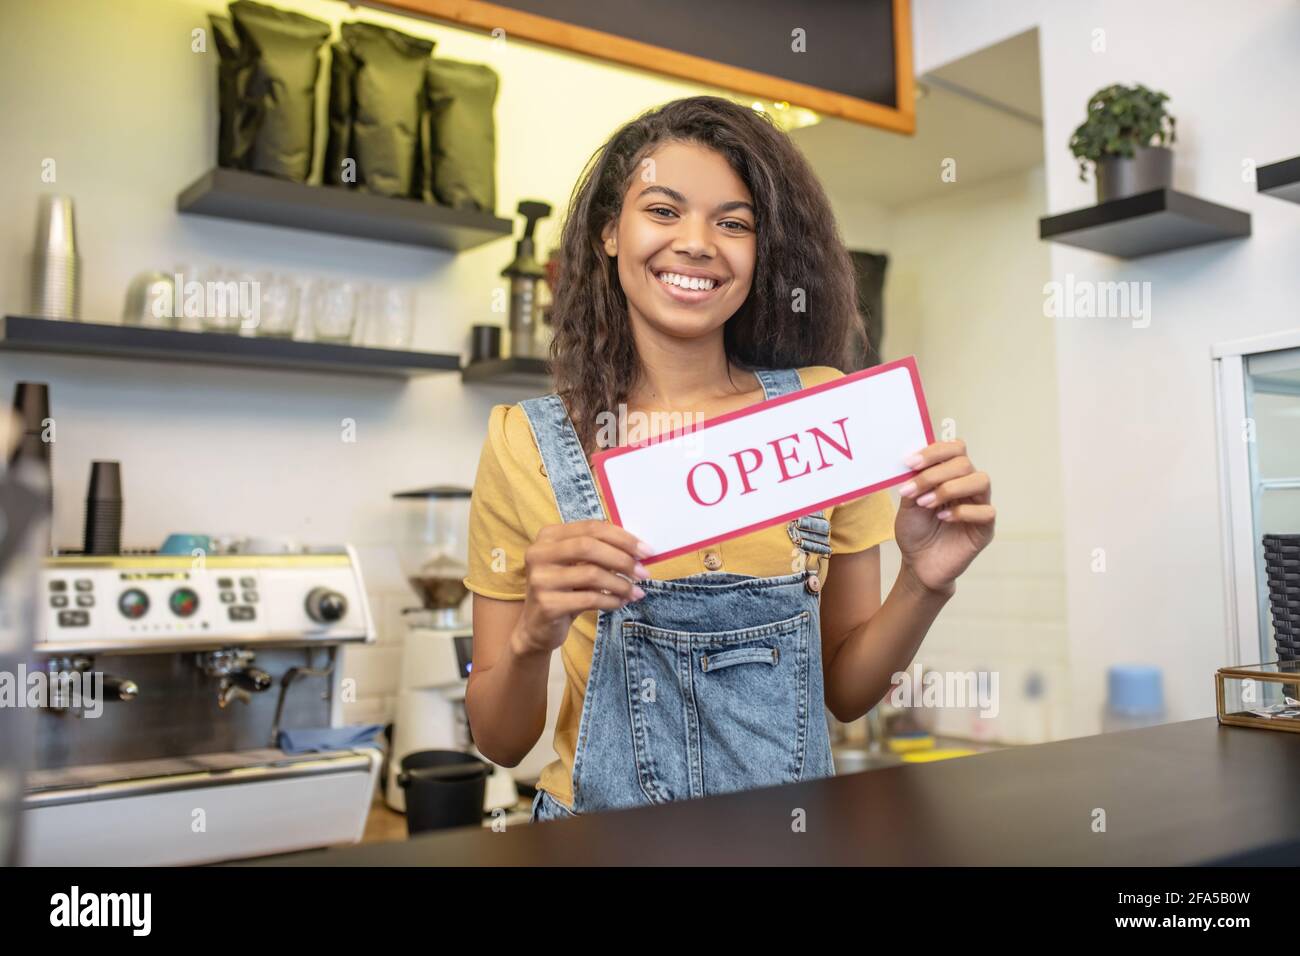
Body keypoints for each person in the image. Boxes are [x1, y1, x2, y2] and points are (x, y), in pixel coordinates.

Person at [461, 95, 994, 823]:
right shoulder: (525, 442)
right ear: (609, 233)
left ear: (759, 253)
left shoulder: (823, 415)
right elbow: (499, 739)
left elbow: (847, 691)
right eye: (663, 210)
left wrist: (926, 583)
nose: (698, 242)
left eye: (733, 222)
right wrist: (530, 636)